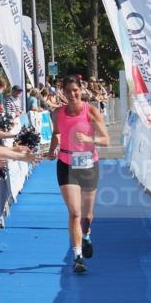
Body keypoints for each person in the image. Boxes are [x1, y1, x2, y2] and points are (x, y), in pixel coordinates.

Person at [47, 77, 110, 274]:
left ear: (80, 90)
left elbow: (106, 140)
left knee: (87, 215)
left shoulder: (90, 111)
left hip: (89, 164)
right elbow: (56, 133)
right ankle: (77, 257)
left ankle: (87, 235)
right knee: (74, 212)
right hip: (66, 164)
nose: (73, 94)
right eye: (68, 91)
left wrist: (89, 138)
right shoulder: (58, 113)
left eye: (75, 90)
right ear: (63, 93)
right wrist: (51, 151)